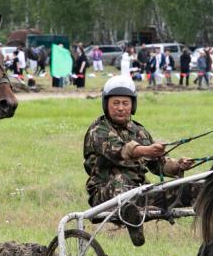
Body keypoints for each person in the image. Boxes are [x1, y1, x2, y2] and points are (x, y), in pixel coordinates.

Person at [83, 76, 194, 246]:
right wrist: (146, 150)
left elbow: (158, 164)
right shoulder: (98, 130)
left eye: (125, 103)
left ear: (132, 105)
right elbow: (122, 150)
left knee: (193, 188)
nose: (120, 108)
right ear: (106, 104)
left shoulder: (139, 131)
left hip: (140, 193)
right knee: (120, 181)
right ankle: (132, 218)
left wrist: (178, 165)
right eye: (115, 103)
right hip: (106, 195)